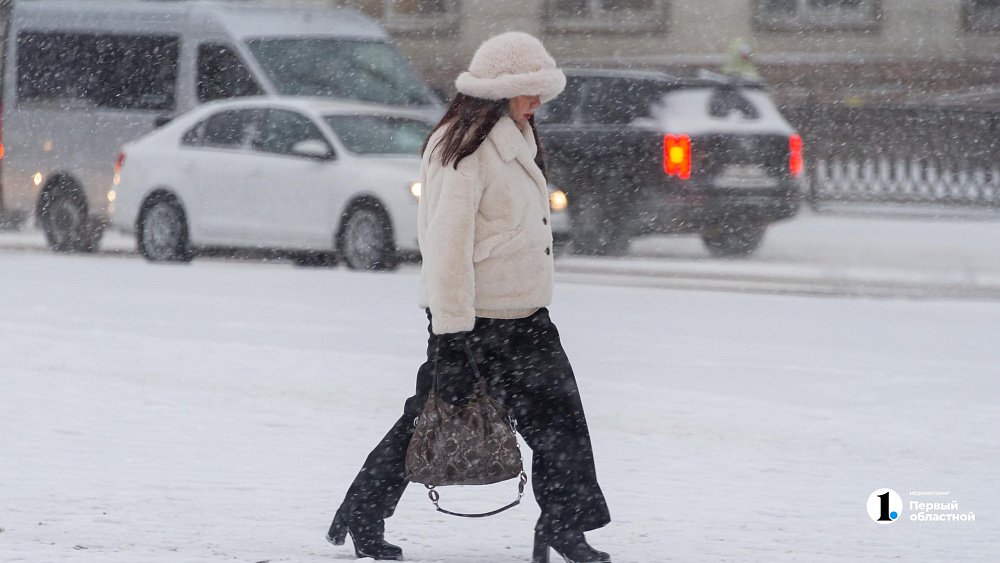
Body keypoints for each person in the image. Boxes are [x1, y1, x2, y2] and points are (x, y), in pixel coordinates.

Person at [326, 31, 612, 563]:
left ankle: (563, 526)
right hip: (474, 323)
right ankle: (365, 510)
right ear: (500, 91)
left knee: (563, 425)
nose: (538, 102)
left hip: (528, 317)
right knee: (426, 421)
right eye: (529, 91)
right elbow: (447, 247)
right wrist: (452, 338)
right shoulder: (463, 146)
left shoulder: (519, 135)